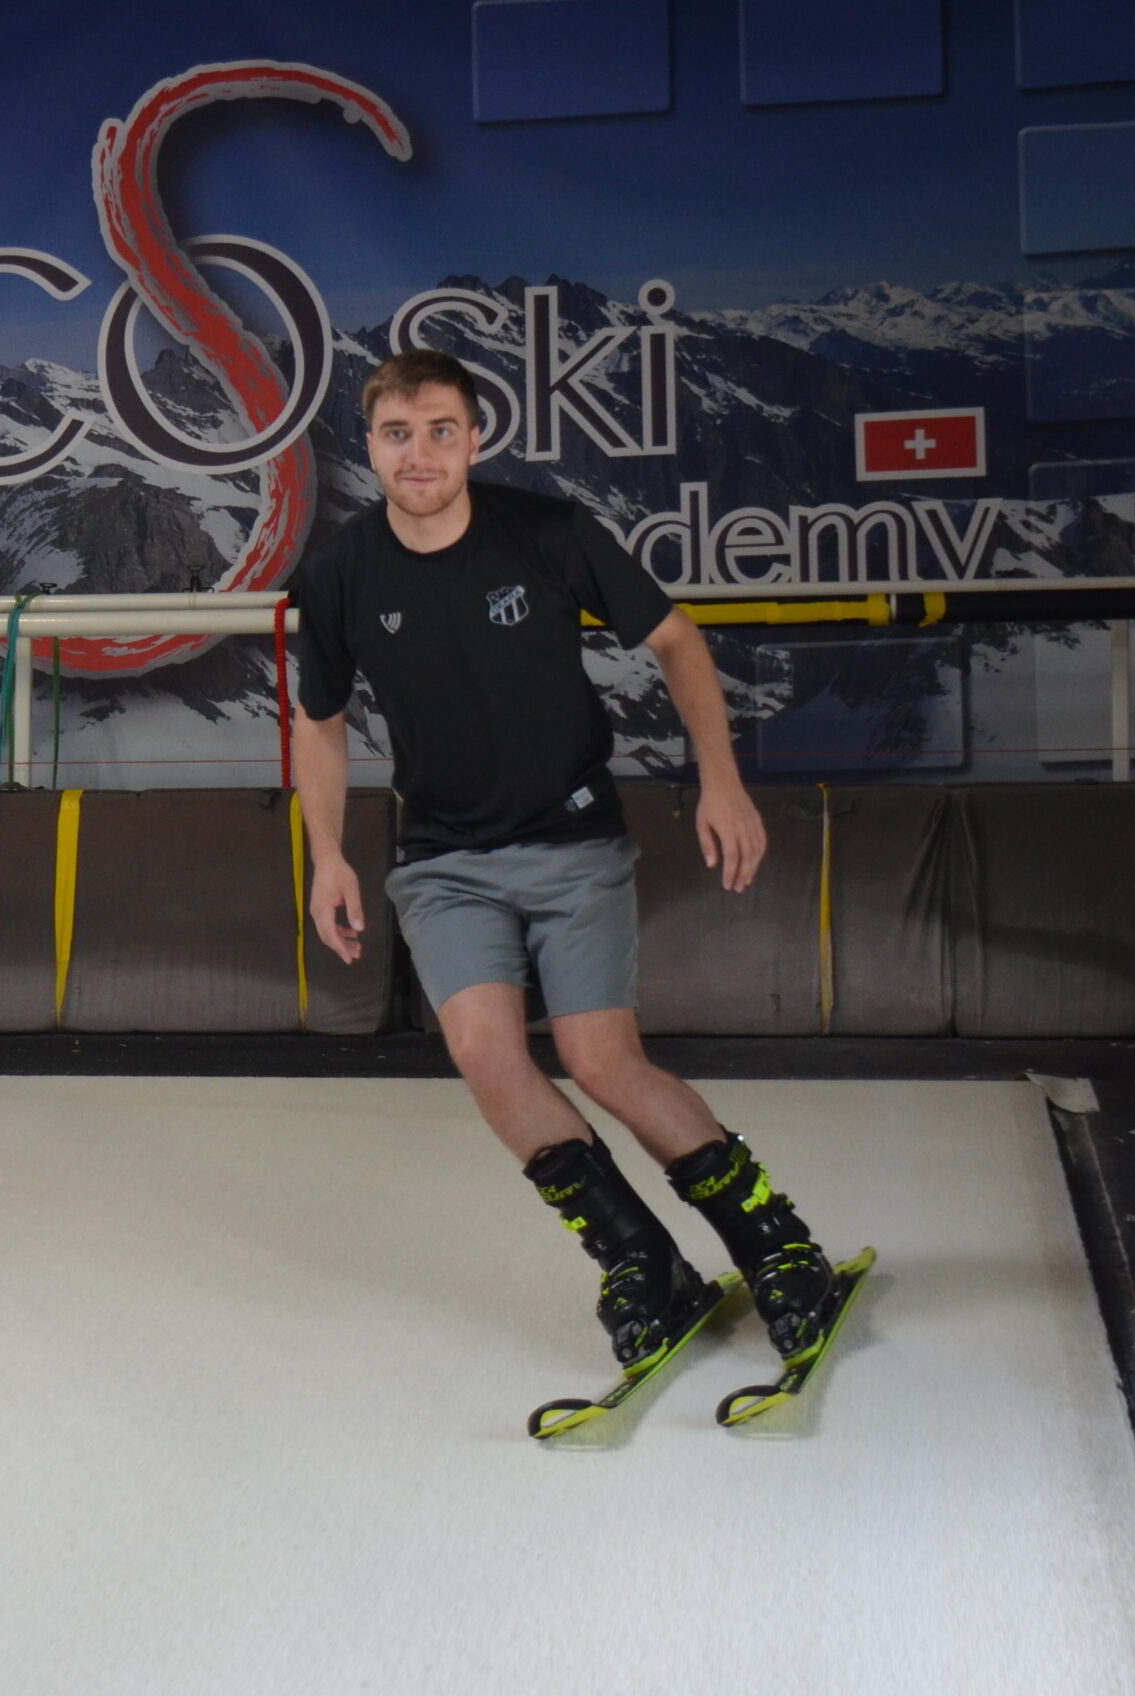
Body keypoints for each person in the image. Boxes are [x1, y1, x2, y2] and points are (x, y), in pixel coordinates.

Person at [289, 348, 840, 1375]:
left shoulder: (546, 533)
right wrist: (326, 855)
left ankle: (778, 1247)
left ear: (474, 439)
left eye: (440, 430)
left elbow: (675, 638)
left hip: (571, 837)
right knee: (488, 1057)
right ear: (368, 445)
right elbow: (316, 724)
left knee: (599, 1060)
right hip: (442, 857)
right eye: (398, 434)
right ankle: (643, 1263)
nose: (419, 454)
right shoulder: (335, 573)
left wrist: (718, 778)